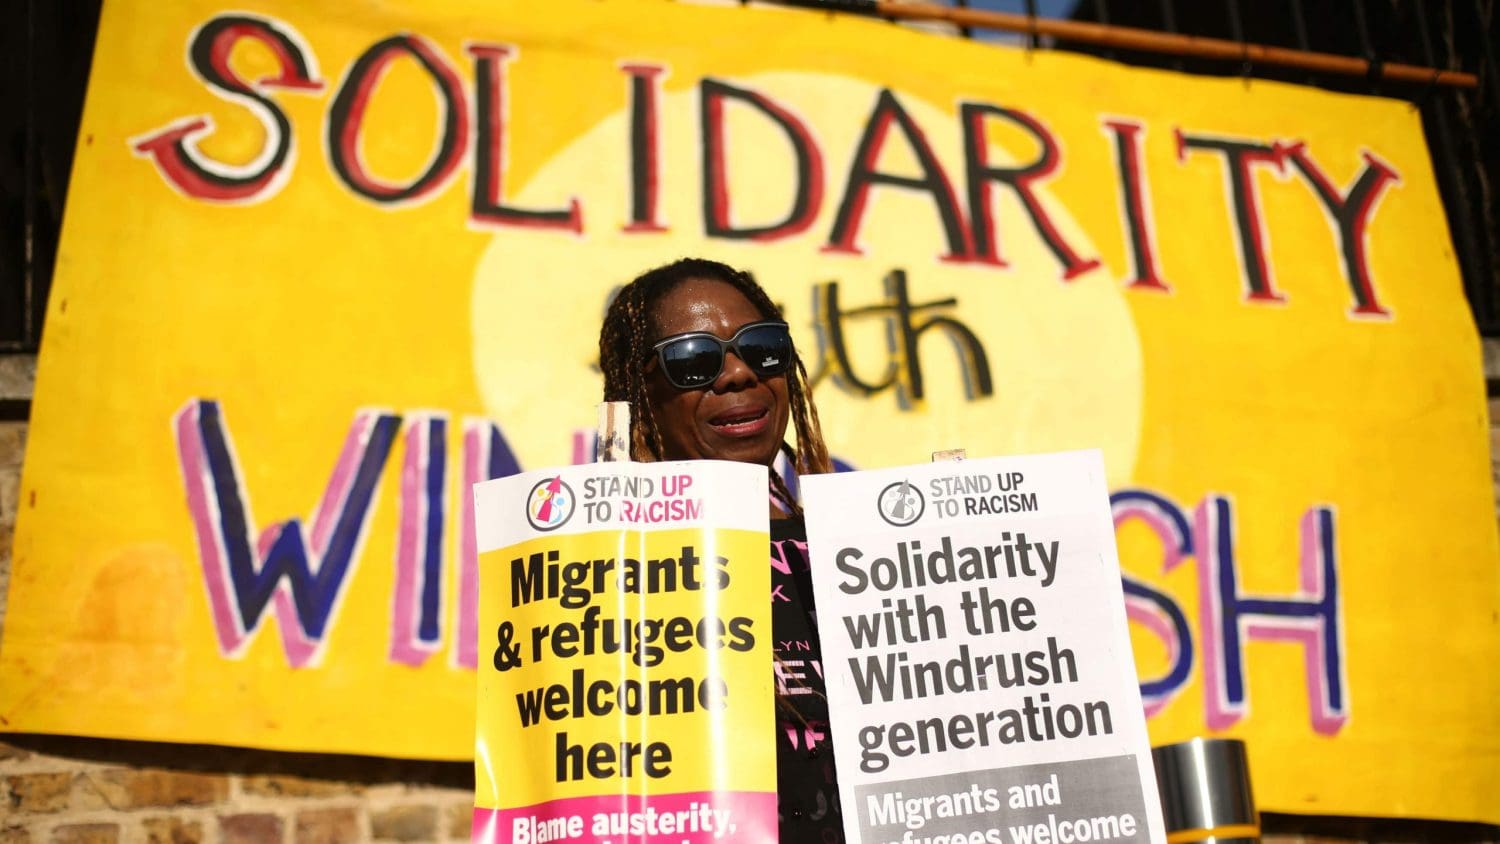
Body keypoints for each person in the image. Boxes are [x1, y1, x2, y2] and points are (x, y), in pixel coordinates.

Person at [598, 257, 843, 842]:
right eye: (692, 358)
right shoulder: (596, 574)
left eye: (761, 347)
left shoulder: (859, 553)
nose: (737, 374)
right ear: (640, 395)